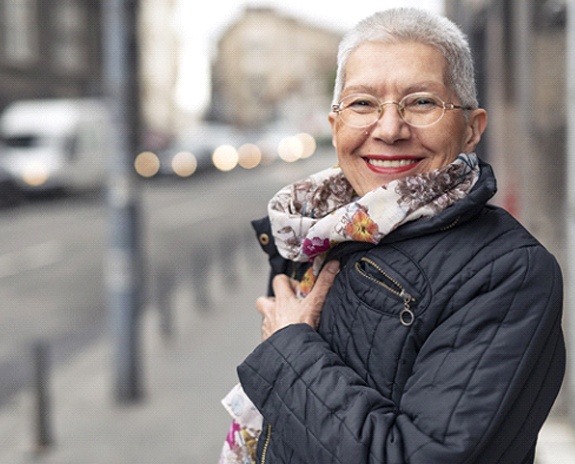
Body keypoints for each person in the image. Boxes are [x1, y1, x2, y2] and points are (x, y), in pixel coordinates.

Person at [233, 7, 565, 464]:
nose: (389, 129)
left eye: (422, 102)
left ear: (472, 129)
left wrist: (289, 347)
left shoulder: (509, 272)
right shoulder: (314, 230)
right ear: (335, 127)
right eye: (363, 104)